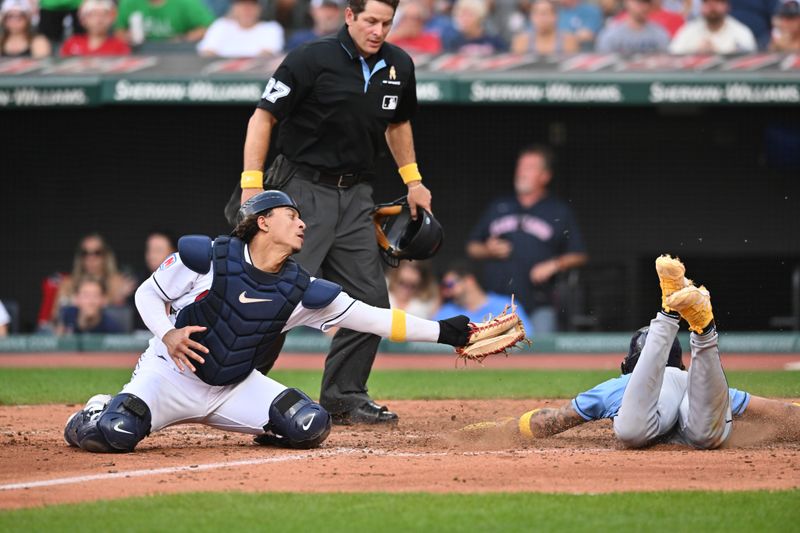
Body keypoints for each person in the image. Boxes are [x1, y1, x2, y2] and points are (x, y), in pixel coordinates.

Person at [63, 191, 479, 453]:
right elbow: (147, 295)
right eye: (292, 215)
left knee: (310, 426)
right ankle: (95, 412)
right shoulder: (206, 256)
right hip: (168, 376)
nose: (303, 224)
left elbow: (374, 319)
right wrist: (168, 333)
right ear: (263, 222)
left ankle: (265, 424)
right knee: (116, 432)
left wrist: (446, 332)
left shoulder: (302, 289)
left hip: (233, 387)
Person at [231, 0, 431, 425]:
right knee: (273, 294)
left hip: (356, 194)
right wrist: (253, 183)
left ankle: (344, 397)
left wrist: (413, 181)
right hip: (300, 188)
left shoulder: (399, 65)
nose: (378, 30)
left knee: (371, 300)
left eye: (386, 23)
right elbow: (263, 117)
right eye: (371, 21)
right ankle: (231, 387)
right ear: (349, 16)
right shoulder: (311, 58)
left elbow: (398, 124)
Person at [463, 256, 800, 449]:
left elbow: (554, 421)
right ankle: (703, 329)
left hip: (643, 414)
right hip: (701, 416)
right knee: (705, 435)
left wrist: (498, 428)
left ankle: (668, 313)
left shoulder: (617, 386)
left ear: (628, 365)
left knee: (632, 433)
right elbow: (780, 412)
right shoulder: (690, 380)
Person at [466, 145, 587, 334]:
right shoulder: (499, 206)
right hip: (497, 304)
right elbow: (472, 247)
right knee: (492, 357)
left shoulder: (558, 210)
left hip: (538, 304)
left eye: (529, 168)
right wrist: (488, 250)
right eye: (520, 167)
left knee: (539, 355)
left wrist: (554, 264)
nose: (521, 172)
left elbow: (579, 255)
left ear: (545, 176)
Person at [434, 260, 534, 335]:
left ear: (469, 280)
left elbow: (525, 336)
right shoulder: (445, 312)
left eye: (450, 284)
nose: (447, 290)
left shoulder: (506, 305)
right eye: (444, 286)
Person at [197, 0, 284, 57]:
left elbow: (267, 55)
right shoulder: (221, 25)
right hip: (221, 79)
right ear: (234, 7)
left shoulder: (271, 28)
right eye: (242, 4)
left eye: (252, 5)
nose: (247, 9)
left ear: (259, 8)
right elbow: (207, 52)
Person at [669, 0, 755, 54]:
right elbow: (673, 57)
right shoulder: (688, 31)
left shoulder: (741, 31)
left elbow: (751, 63)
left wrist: (721, 55)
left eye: (717, 1)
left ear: (727, 6)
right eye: (707, 2)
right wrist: (696, 54)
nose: (712, 6)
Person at [115, 0, 214, 45]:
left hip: (178, 53)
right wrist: (127, 36)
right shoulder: (129, 2)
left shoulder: (185, 2)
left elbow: (209, 27)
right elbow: (119, 30)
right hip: (140, 51)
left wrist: (183, 39)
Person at [596, 0, 671, 53]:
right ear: (627, 2)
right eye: (639, 2)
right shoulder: (611, 34)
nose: (644, 7)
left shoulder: (659, 33)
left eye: (647, 2)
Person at [60, 0, 131, 56]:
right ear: (83, 19)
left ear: (112, 19)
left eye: (104, 14)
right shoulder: (71, 43)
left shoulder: (120, 46)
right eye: (93, 15)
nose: (99, 20)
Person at [57, 277, 124, 335]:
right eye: (86, 296)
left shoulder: (112, 328)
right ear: (76, 299)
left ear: (104, 300)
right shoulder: (67, 316)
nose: (91, 301)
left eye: (95, 296)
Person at [511, 0, 579, 55]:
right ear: (531, 17)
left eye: (545, 13)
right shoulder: (521, 41)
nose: (541, 18)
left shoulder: (568, 40)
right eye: (536, 13)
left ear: (555, 16)